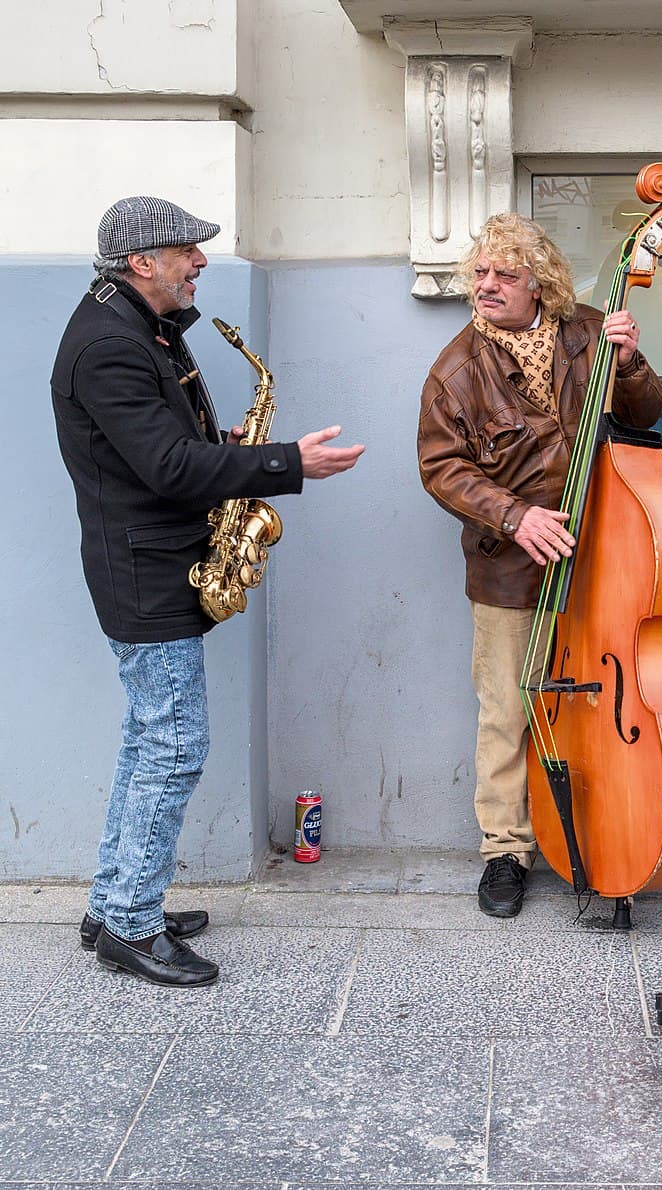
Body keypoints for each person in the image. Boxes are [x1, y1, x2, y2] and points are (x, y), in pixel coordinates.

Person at [51, 196, 365, 987]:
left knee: (146, 738)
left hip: (154, 559)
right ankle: (129, 924)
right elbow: (166, 470)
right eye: (188, 250)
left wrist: (224, 445)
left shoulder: (136, 328)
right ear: (141, 261)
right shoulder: (109, 347)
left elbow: (158, 447)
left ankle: (114, 901)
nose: (199, 263)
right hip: (144, 570)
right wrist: (285, 464)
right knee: (175, 742)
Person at [417, 213, 662, 918]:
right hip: (509, 566)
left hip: (607, 553)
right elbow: (440, 469)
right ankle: (506, 849)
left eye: (506, 274)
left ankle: (609, 825)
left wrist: (633, 361)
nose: (487, 285)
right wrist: (513, 515)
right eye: (481, 273)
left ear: (541, 283)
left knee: (607, 698)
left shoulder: (589, 328)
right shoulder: (456, 369)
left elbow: (647, 415)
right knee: (508, 710)